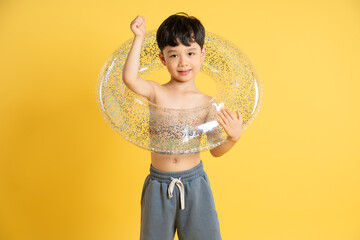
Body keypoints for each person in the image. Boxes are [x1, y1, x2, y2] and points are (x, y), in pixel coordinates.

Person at [122, 12, 243, 240]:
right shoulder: (156, 92)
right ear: (162, 59)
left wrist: (232, 139)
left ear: (202, 54)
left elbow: (215, 150)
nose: (183, 62)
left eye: (190, 53)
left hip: (195, 184)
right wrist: (138, 37)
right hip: (159, 184)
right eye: (174, 55)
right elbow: (130, 79)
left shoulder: (207, 103)